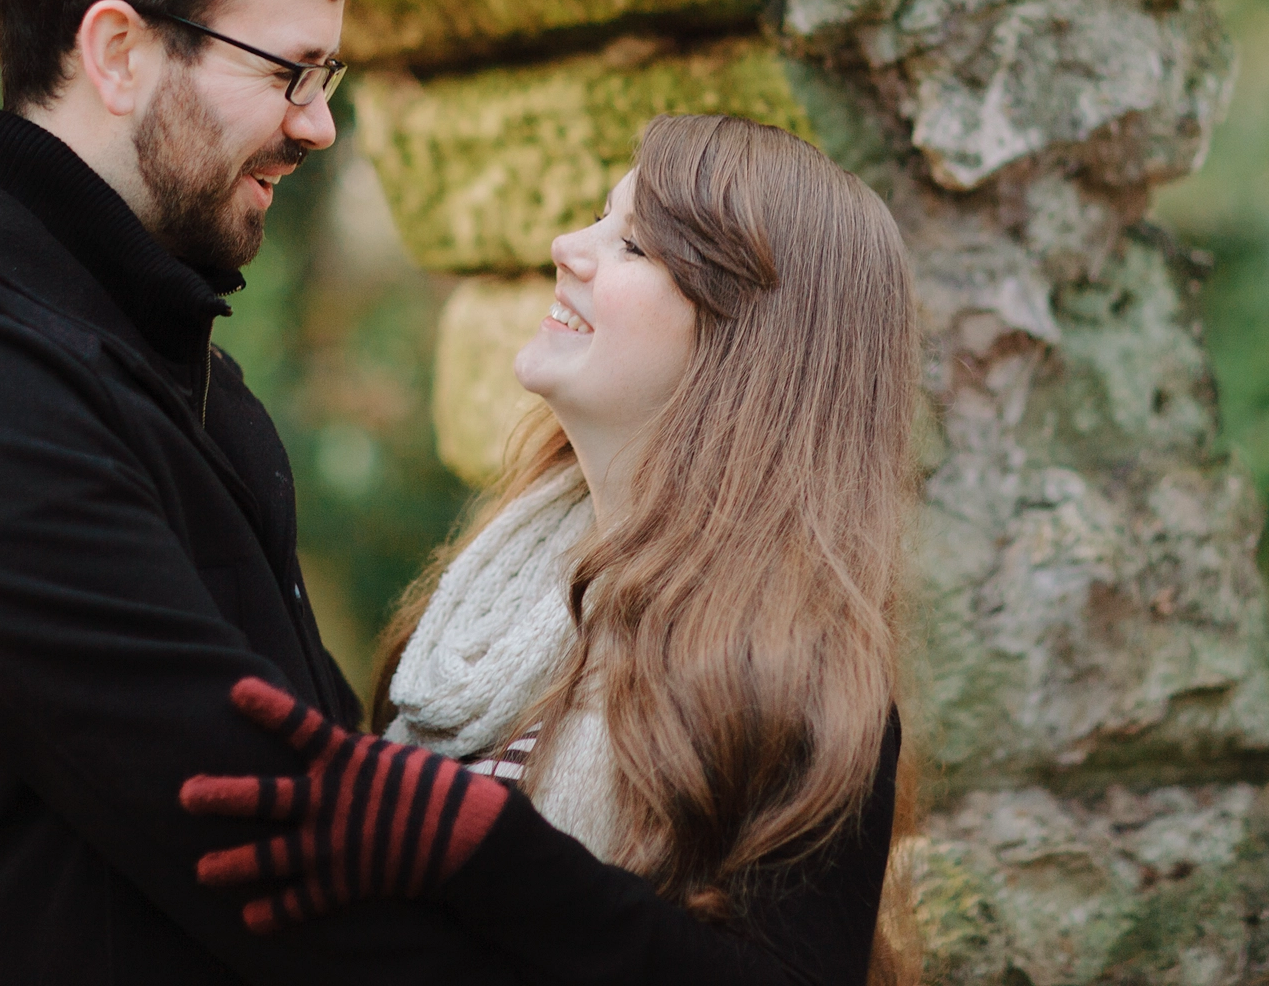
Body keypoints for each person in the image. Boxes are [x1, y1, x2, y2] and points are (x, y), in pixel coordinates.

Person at [0, 0, 906, 986]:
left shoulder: (171, 375)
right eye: (288, 72)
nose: (317, 123)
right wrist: (491, 860)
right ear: (117, 53)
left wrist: (490, 857)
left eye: (327, 77)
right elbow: (253, 843)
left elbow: (341, 814)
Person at [184, 114, 921, 985]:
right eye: (601, 218)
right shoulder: (495, 585)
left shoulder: (799, 674)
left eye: (634, 244)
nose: (567, 247)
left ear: (751, 346)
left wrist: (489, 850)